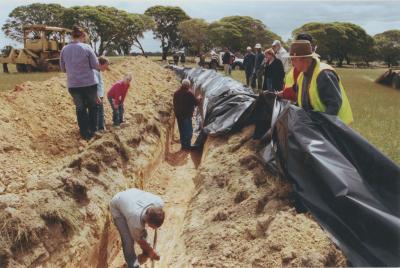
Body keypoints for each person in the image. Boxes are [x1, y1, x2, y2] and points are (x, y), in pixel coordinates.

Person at [289, 40, 353, 125]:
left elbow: (334, 105)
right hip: (316, 125)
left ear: (303, 59)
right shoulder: (302, 76)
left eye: (293, 60)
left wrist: (322, 127)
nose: (292, 64)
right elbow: (300, 101)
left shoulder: (324, 74)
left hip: (336, 128)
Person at [60, 25, 99, 140]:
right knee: (93, 107)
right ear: (83, 35)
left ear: (72, 36)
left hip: (73, 85)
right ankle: (93, 132)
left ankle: (84, 134)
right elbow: (95, 65)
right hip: (89, 84)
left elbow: (62, 68)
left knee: (80, 109)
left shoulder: (64, 49)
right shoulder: (87, 48)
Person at [110, 188, 165, 268]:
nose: (153, 229)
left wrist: (149, 250)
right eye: (153, 227)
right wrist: (151, 251)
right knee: (128, 240)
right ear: (147, 220)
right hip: (117, 206)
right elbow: (140, 240)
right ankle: (132, 263)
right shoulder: (135, 221)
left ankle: (146, 251)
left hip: (133, 196)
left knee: (140, 231)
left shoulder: (159, 202)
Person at [278, 33, 315, 102]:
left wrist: (284, 94)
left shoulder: (320, 72)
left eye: (293, 59)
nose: (292, 63)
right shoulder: (303, 68)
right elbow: (297, 87)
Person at [173, 79, 201, 150]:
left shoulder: (176, 93)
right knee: (189, 131)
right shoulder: (189, 93)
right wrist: (199, 98)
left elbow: (174, 104)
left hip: (179, 115)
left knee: (182, 130)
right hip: (186, 115)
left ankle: (183, 146)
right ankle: (187, 146)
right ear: (188, 86)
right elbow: (196, 103)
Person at [94, 56, 110, 132]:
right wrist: (97, 97)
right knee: (99, 112)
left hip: (99, 95)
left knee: (100, 112)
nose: (107, 67)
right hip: (97, 96)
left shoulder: (98, 71)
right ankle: (100, 128)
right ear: (100, 64)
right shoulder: (95, 72)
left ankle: (100, 127)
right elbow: (94, 86)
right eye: (106, 64)